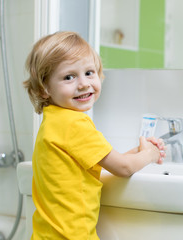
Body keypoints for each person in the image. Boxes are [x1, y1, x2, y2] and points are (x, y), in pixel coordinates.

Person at [23, 31, 165, 240]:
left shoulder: (54, 119)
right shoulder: (74, 123)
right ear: (44, 88)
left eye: (89, 72)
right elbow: (123, 168)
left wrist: (138, 151)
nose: (83, 83)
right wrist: (150, 155)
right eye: (69, 77)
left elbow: (93, 164)